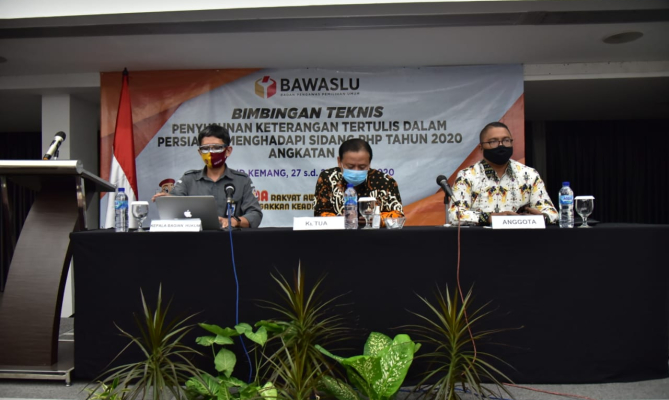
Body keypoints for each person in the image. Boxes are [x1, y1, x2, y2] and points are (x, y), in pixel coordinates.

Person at [152, 124, 263, 228]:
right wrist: (167, 200)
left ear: (228, 151)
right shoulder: (188, 179)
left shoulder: (242, 181)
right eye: (205, 149)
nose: (211, 153)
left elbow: (255, 214)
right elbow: (174, 208)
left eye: (216, 147)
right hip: (196, 239)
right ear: (200, 152)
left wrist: (233, 221)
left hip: (230, 238)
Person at [448, 122, 557, 225]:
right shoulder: (467, 176)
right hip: (482, 237)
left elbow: (552, 213)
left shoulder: (529, 174)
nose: (501, 145)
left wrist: (542, 217)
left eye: (506, 140)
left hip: (521, 237)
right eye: (493, 141)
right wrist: (490, 217)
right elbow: (455, 215)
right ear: (481, 147)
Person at [313, 138, 403, 223]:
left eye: (362, 167)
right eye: (350, 166)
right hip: (339, 232)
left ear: (369, 163)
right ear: (339, 161)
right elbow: (319, 213)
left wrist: (377, 219)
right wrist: (339, 220)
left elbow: (398, 216)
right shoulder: (328, 178)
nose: (356, 171)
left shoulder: (385, 181)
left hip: (374, 233)